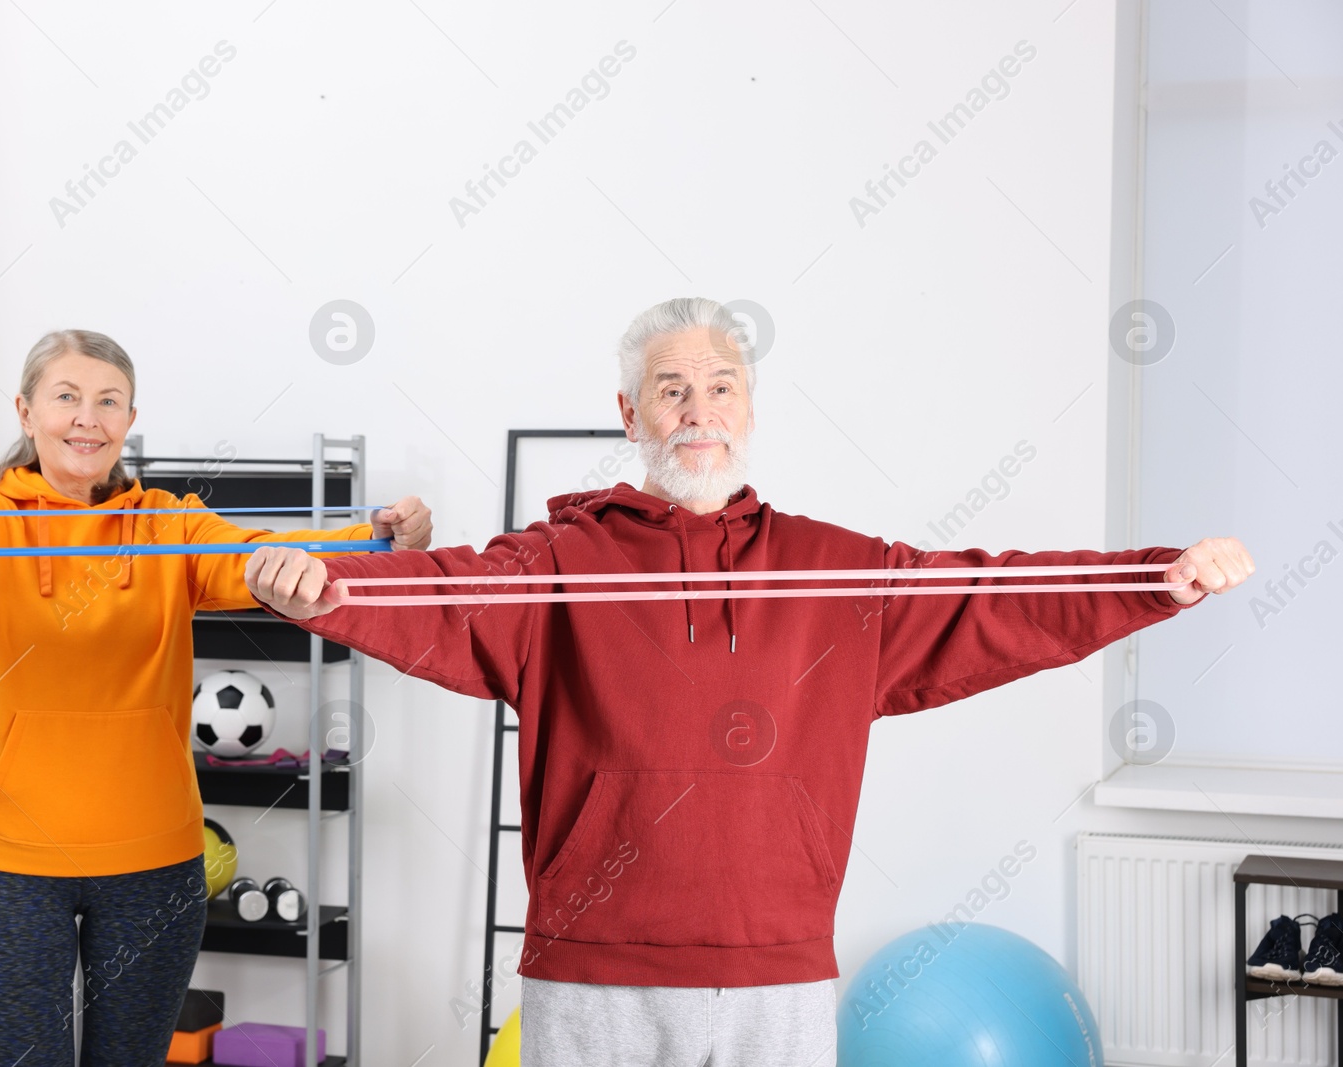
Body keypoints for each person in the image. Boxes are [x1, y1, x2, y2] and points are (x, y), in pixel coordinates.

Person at [244, 297, 1255, 1067]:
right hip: (592, 972)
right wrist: (322, 587)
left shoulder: (830, 570)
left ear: (751, 407)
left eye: (720, 383)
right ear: (628, 410)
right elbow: (440, 593)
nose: (698, 408)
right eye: (672, 386)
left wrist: (1150, 583)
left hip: (778, 977)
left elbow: (990, 596)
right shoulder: (553, 561)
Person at [0, 329, 432, 1067]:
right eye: (66, 397)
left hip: (155, 860)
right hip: (9, 863)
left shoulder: (172, 523)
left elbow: (263, 552)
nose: (87, 418)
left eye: (108, 401)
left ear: (130, 419)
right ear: (26, 410)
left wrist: (380, 540)